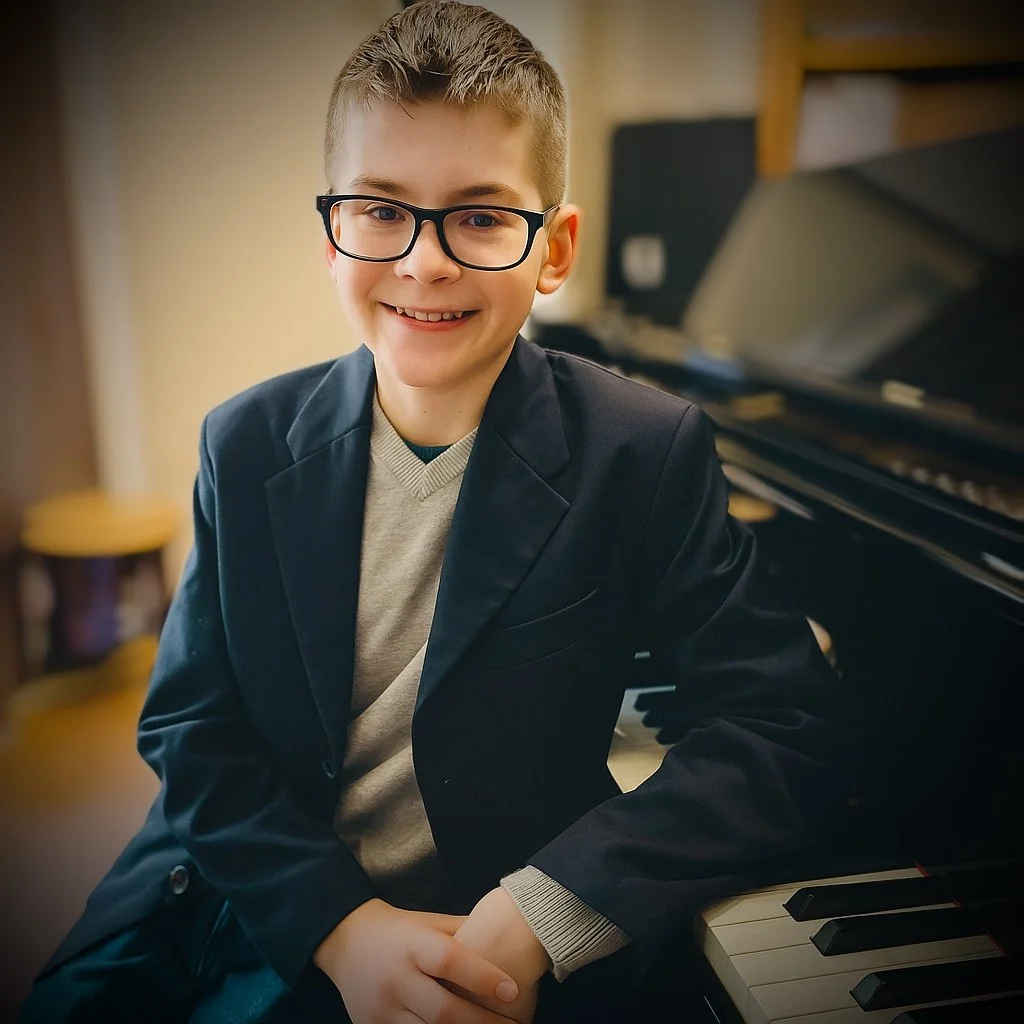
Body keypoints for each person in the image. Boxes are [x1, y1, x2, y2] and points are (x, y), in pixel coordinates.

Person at [19, 3, 841, 1021]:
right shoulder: (241, 443)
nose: (423, 261)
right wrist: (340, 927)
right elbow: (192, 724)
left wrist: (542, 912)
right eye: (380, 210)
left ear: (554, 248)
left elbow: (781, 719)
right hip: (262, 905)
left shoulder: (642, 448)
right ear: (328, 233)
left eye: (482, 215)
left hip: (494, 935)